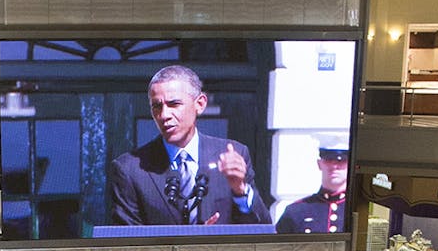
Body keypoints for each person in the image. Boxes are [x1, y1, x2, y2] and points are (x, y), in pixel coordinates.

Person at [107, 65, 271, 226]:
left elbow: (263, 229)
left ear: (200, 104)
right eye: (157, 106)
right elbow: (128, 245)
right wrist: (192, 242)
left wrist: (240, 190)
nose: (164, 115)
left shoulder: (234, 155)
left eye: (174, 104)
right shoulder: (130, 169)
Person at [276, 136, 350, 234]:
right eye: (328, 160)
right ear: (319, 164)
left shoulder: (356, 209)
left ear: (350, 165)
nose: (334, 166)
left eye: (341, 161)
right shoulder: (296, 211)